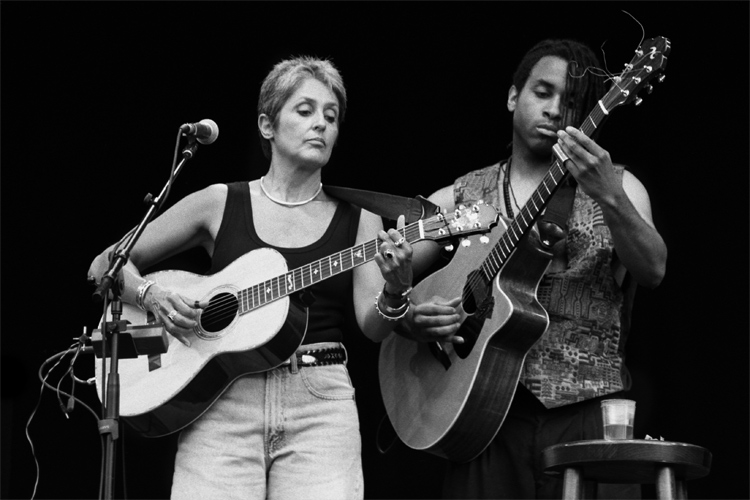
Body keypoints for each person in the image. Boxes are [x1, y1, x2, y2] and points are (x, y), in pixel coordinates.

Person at [88, 56, 422, 500]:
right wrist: (151, 294)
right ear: (267, 124)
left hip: (319, 401)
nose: (320, 124)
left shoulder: (358, 218)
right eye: (305, 111)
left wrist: (397, 289)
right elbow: (105, 265)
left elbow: (372, 325)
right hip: (223, 399)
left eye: (331, 116)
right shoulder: (219, 202)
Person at [399, 38, 668, 498]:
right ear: (512, 97)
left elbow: (654, 270)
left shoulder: (621, 186)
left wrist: (609, 195)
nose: (555, 109)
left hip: (590, 416)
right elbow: (387, 275)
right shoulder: (463, 196)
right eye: (542, 92)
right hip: (481, 415)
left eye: (571, 102)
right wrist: (411, 320)